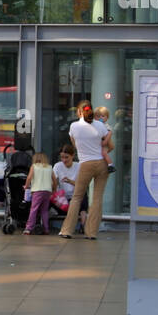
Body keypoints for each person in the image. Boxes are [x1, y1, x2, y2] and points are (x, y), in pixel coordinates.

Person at [59, 101, 109, 239]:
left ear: (79, 112)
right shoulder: (100, 125)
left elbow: (74, 145)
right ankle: (91, 233)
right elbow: (109, 144)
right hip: (101, 164)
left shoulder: (74, 126)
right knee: (97, 199)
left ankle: (67, 230)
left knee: (77, 197)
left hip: (85, 164)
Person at [52, 144, 86, 233]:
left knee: (82, 198)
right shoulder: (57, 166)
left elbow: (82, 184)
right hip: (62, 199)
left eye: (66, 157)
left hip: (75, 196)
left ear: (72, 156)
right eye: (62, 157)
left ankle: (83, 225)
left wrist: (70, 181)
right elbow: (54, 182)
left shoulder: (78, 166)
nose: (64, 160)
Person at [23, 152, 53, 235]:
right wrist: (53, 190)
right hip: (47, 191)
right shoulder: (49, 167)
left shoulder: (34, 166)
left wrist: (26, 186)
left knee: (34, 209)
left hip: (37, 191)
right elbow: (54, 180)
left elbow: (29, 177)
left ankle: (29, 228)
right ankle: (46, 229)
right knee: (44, 211)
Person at [95, 104, 116, 174]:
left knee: (104, 153)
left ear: (107, 117)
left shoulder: (106, 126)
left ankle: (110, 165)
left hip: (105, 144)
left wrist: (105, 142)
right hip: (99, 144)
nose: (100, 118)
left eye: (103, 116)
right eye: (98, 116)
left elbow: (109, 133)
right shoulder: (95, 125)